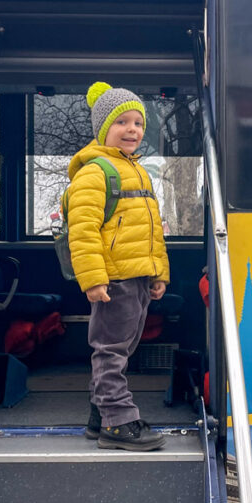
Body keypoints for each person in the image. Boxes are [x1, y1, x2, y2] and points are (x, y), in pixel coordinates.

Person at [66, 82, 170, 451]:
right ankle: (118, 422)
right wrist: (93, 280)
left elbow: (153, 231)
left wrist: (158, 273)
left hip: (137, 278)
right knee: (111, 350)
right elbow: (82, 231)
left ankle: (100, 418)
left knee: (122, 348)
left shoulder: (138, 172)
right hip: (114, 279)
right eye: (121, 122)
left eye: (138, 123)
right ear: (102, 128)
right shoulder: (95, 173)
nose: (132, 130)